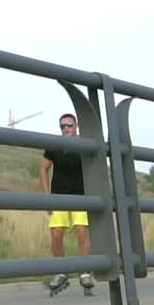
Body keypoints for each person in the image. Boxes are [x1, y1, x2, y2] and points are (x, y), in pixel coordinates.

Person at [39, 112, 94, 295]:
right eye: (62, 126)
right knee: (56, 235)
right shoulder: (54, 145)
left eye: (69, 125)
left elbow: (97, 169)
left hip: (81, 197)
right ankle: (61, 272)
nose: (65, 129)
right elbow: (43, 169)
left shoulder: (85, 144)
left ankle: (85, 272)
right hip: (59, 197)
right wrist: (47, 196)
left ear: (76, 126)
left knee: (81, 232)